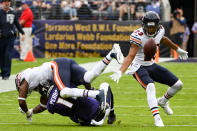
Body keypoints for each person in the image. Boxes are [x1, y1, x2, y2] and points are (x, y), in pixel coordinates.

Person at [110, 11, 188, 127]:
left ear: (157, 25)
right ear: (144, 25)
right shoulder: (138, 36)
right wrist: (121, 71)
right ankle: (157, 118)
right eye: (149, 27)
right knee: (150, 86)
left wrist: (177, 49)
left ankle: (163, 101)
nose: (151, 30)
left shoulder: (160, 30)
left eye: (153, 27)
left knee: (178, 85)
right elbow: (130, 56)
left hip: (151, 64)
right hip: (138, 67)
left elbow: (163, 39)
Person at [15, 43, 123, 123]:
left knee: (63, 92)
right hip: (66, 65)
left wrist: (27, 113)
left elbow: (21, 101)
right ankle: (111, 54)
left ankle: (97, 94)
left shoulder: (26, 78)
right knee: (88, 77)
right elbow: (43, 105)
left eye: (20, 88)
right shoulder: (39, 82)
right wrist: (31, 111)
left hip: (57, 65)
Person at [19, 82, 116, 126]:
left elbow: (44, 106)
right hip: (97, 114)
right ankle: (111, 113)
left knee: (73, 112)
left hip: (85, 122)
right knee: (105, 85)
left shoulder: (50, 106)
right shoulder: (64, 84)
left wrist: (29, 111)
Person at [0, 0, 25, 80]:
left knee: (7, 55)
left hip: (10, 37)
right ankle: (3, 72)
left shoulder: (13, 13)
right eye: (5, 2)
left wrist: (22, 33)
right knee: (1, 56)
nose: (7, 3)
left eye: (8, 2)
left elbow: (17, 23)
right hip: (1, 37)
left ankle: (6, 74)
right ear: (2, 3)